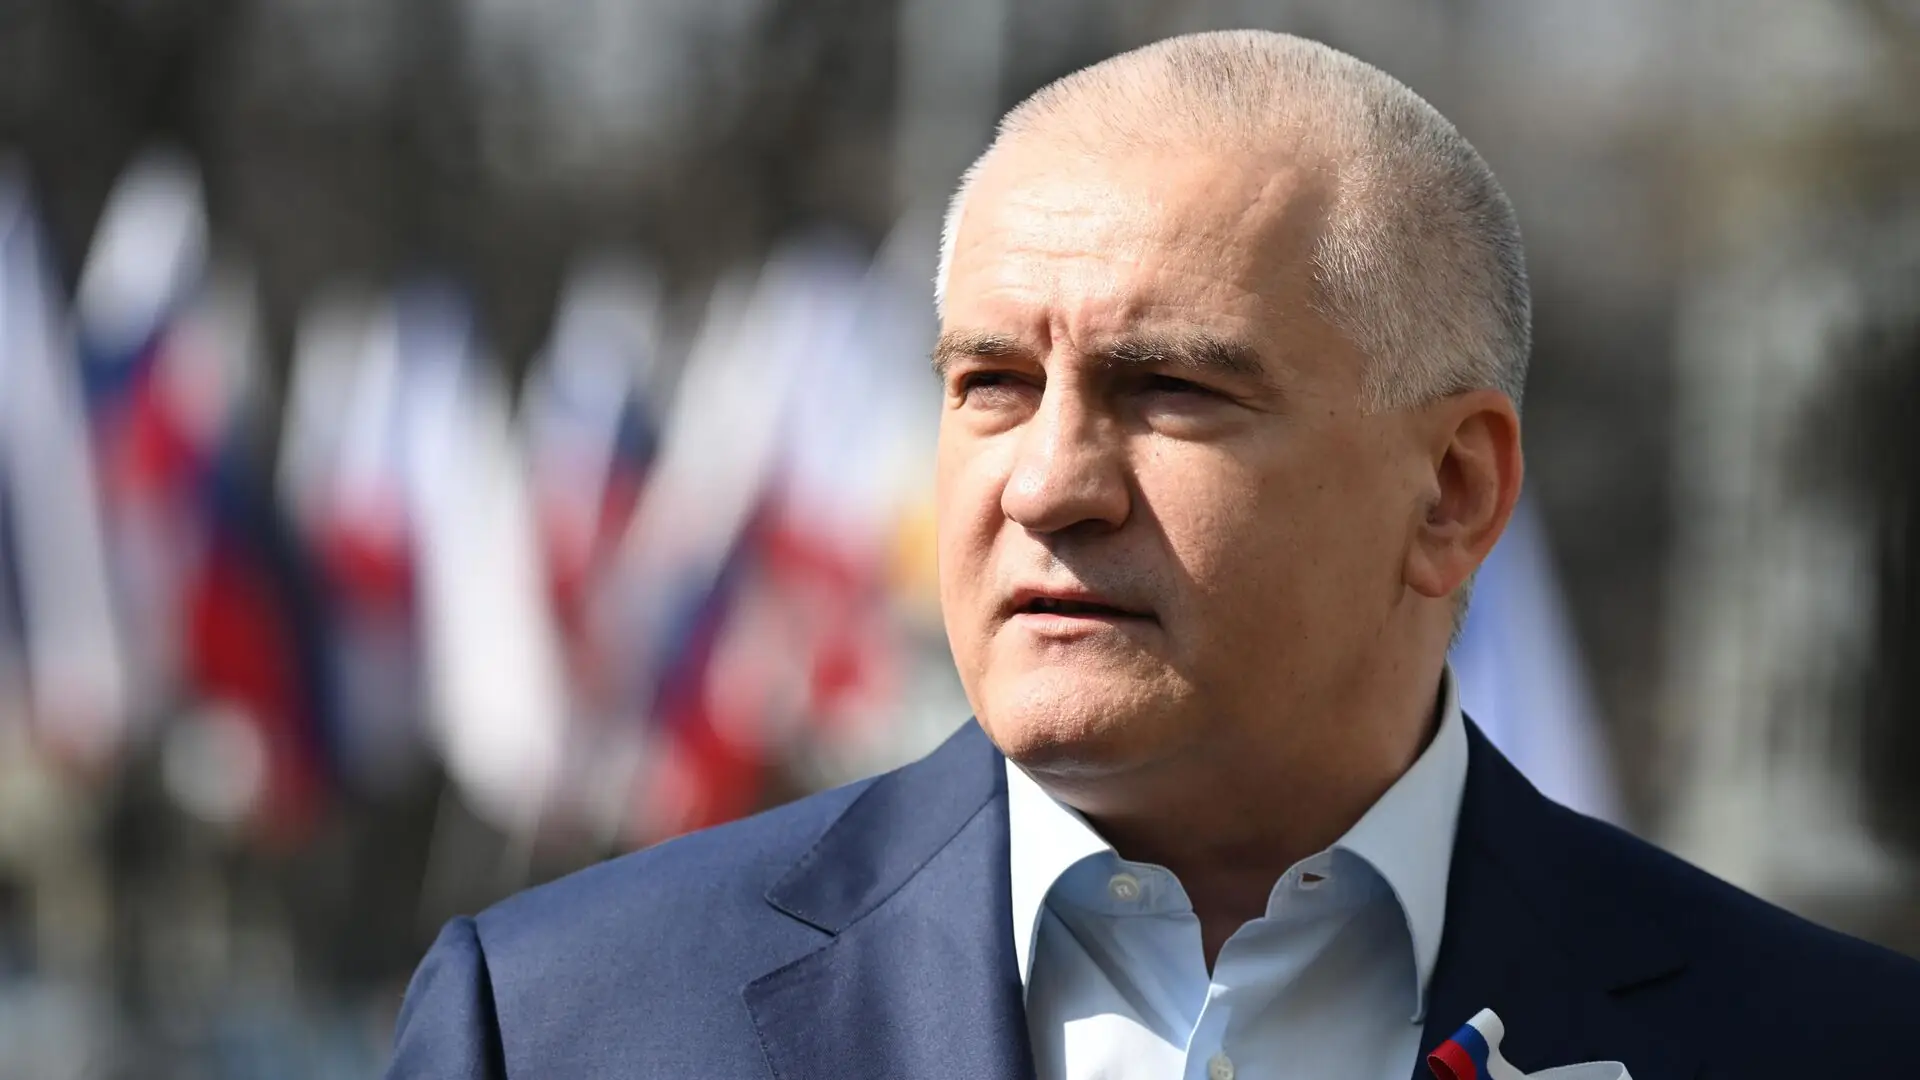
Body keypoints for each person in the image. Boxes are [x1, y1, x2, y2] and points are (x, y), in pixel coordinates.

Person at [385, 30, 1920, 1080]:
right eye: (992, 383)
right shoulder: (563, 1026)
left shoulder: (1829, 1042)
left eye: (1170, 388)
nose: (1048, 483)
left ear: (1453, 491)